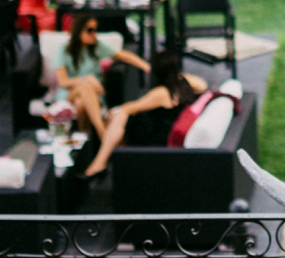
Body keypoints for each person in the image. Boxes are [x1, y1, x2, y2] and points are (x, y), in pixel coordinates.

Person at [82, 53, 211, 176]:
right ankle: (103, 157)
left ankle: (101, 160)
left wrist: (114, 110)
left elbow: (133, 107)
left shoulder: (161, 93)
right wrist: (177, 75)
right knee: (120, 118)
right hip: (164, 132)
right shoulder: (184, 85)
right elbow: (203, 84)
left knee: (119, 116)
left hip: (155, 140)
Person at [55, 12, 150, 138]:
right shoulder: (64, 51)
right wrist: (86, 79)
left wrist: (146, 66)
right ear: (78, 31)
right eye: (90, 30)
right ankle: (103, 133)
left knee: (80, 103)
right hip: (69, 92)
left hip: (93, 94)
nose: (94, 33)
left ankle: (86, 140)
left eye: (95, 30)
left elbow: (123, 55)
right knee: (84, 87)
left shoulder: (95, 46)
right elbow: (63, 82)